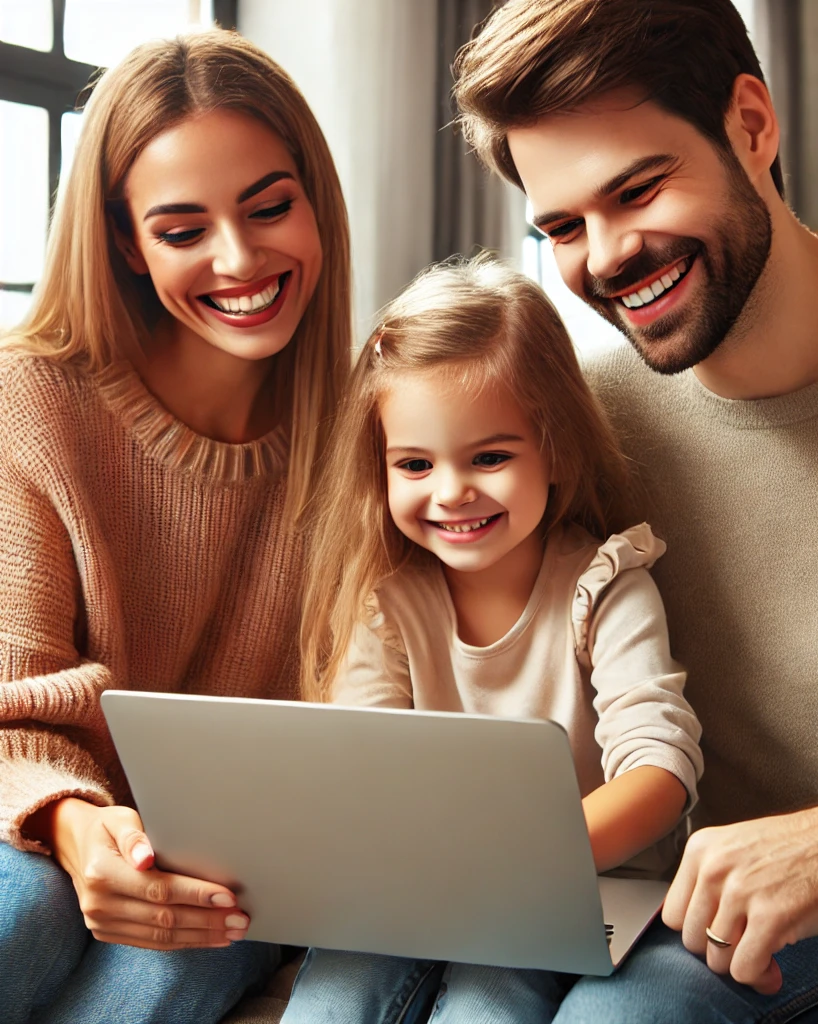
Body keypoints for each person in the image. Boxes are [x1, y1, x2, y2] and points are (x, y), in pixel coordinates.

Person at [452, 1, 818, 1022]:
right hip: (725, 935)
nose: (607, 254)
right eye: (563, 228)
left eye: (637, 189)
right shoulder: (579, 426)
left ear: (751, 125)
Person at [0, 30, 351, 1024]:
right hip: (46, 813)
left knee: (191, 952)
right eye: (182, 227)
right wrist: (72, 826)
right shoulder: (31, 398)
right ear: (126, 241)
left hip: (237, 856)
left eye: (270, 207)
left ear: (316, 202)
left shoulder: (377, 432)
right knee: (21, 902)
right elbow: (9, 697)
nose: (239, 259)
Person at [284, 257, 704, 1024]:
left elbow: (661, 771)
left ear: (556, 449)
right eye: (415, 464)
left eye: (489, 457)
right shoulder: (390, 603)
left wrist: (519, 860)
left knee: (488, 1000)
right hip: (421, 890)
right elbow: (361, 762)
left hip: (576, 891)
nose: (451, 492)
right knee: (331, 999)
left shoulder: (607, 587)